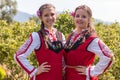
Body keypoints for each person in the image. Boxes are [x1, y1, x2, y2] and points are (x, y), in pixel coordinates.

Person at [14, 3, 65, 80]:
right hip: (43, 77)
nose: (50, 17)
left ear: (56, 15)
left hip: (58, 77)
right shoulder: (37, 36)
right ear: (41, 17)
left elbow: (64, 57)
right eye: (46, 15)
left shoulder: (61, 35)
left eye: (52, 14)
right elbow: (19, 56)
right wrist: (34, 71)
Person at [63, 5, 114, 80]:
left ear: (89, 19)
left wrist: (91, 71)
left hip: (81, 77)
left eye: (83, 16)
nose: (80, 18)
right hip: (68, 76)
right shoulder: (71, 35)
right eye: (77, 16)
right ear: (74, 18)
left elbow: (109, 56)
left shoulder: (91, 39)